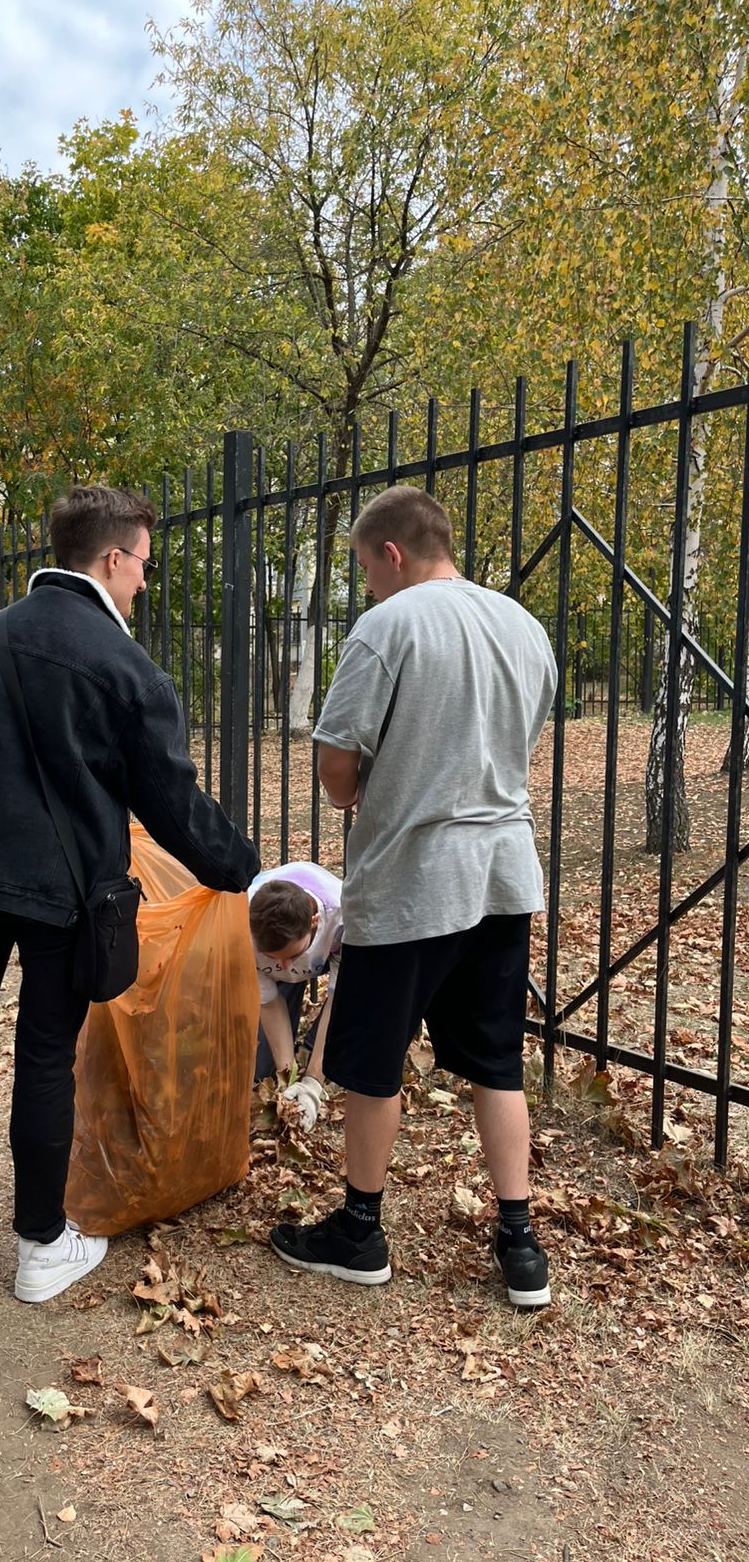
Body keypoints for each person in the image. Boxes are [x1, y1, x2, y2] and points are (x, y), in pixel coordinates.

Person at [0, 484, 260, 1325]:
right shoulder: (124, 664)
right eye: (143, 562)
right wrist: (243, 868)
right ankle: (39, 1248)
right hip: (64, 895)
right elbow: (171, 801)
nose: (145, 579)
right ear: (112, 558)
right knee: (42, 1061)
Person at [269, 485, 557, 1309]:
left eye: (365, 568)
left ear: (392, 553)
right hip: (503, 875)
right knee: (496, 1061)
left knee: (371, 1065)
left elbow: (335, 764)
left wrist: (360, 791)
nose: (367, 585)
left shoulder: (387, 627)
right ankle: (520, 1242)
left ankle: (360, 1231)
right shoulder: (523, 627)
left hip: (412, 882)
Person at [248, 862, 343, 1131]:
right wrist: (286, 1079)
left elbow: (340, 1002)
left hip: (326, 950)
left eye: (291, 956)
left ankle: (312, 1049)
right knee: (260, 1070)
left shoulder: (343, 918)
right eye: (273, 958)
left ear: (313, 922)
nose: (285, 967)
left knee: (344, 1052)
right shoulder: (241, 926)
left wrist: (313, 1083)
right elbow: (267, 1001)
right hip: (285, 955)